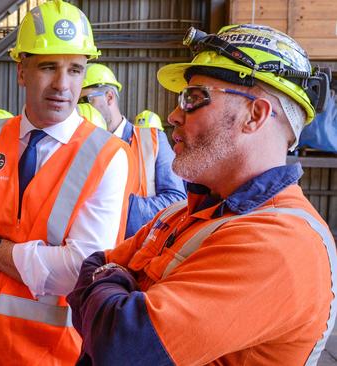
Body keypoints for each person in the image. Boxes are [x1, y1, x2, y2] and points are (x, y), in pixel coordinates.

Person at [67, 24, 337, 365]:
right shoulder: (185, 213)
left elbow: (121, 343)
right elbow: (94, 264)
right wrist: (113, 287)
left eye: (193, 99)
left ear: (255, 115)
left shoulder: (280, 244)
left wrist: (116, 282)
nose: (174, 115)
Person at [0, 0, 132, 364]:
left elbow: (78, 270)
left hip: (48, 355)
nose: (63, 85)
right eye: (48, 67)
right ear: (22, 72)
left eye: (76, 69)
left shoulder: (108, 155)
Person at [80, 63, 186, 237]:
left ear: (109, 97)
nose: (79, 109)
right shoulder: (78, 144)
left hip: (136, 254)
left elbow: (177, 202)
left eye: (85, 100)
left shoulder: (151, 140)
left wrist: (114, 206)